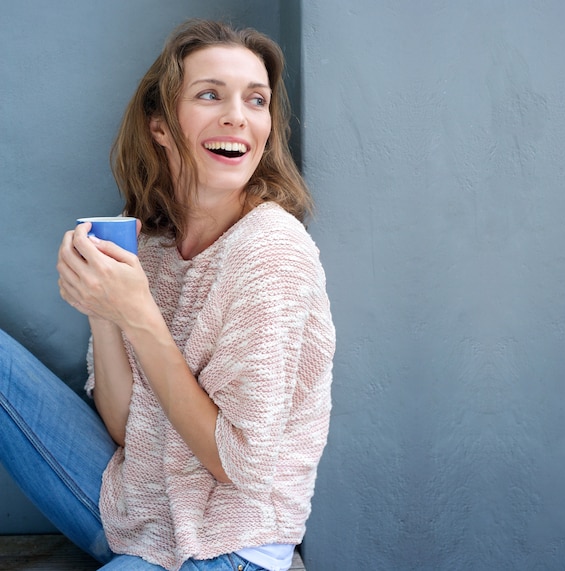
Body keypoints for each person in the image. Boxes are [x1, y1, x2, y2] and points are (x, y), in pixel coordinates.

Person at [0, 19, 335, 571]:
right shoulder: (151, 247)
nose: (237, 116)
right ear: (160, 126)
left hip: (227, 543)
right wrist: (104, 310)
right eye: (210, 95)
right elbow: (122, 424)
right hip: (136, 504)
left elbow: (240, 467)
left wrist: (138, 313)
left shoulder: (272, 252)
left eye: (256, 100)